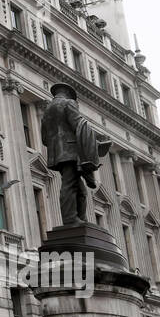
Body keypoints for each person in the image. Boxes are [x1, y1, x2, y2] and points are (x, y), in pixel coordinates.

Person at [40, 82, 111, 226]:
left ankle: (80, 219)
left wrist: (57, 145)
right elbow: (79, 125)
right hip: (70, 151)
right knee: (70, 184)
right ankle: (70, 219)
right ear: (68, 93)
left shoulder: (47, 110)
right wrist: (94, 145)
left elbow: (44, 138)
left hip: (56, 153)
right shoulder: (68, 103)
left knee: (80, 189)